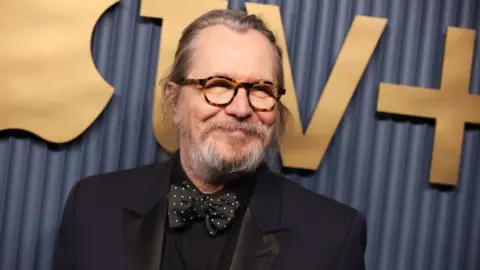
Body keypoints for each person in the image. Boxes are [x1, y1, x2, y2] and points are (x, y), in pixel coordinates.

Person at [52, 9, 367, 270]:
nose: (241, 109)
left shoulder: (334, 235)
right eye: (217, 85)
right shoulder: (93, 206)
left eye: (261, 90)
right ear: (174, 101)